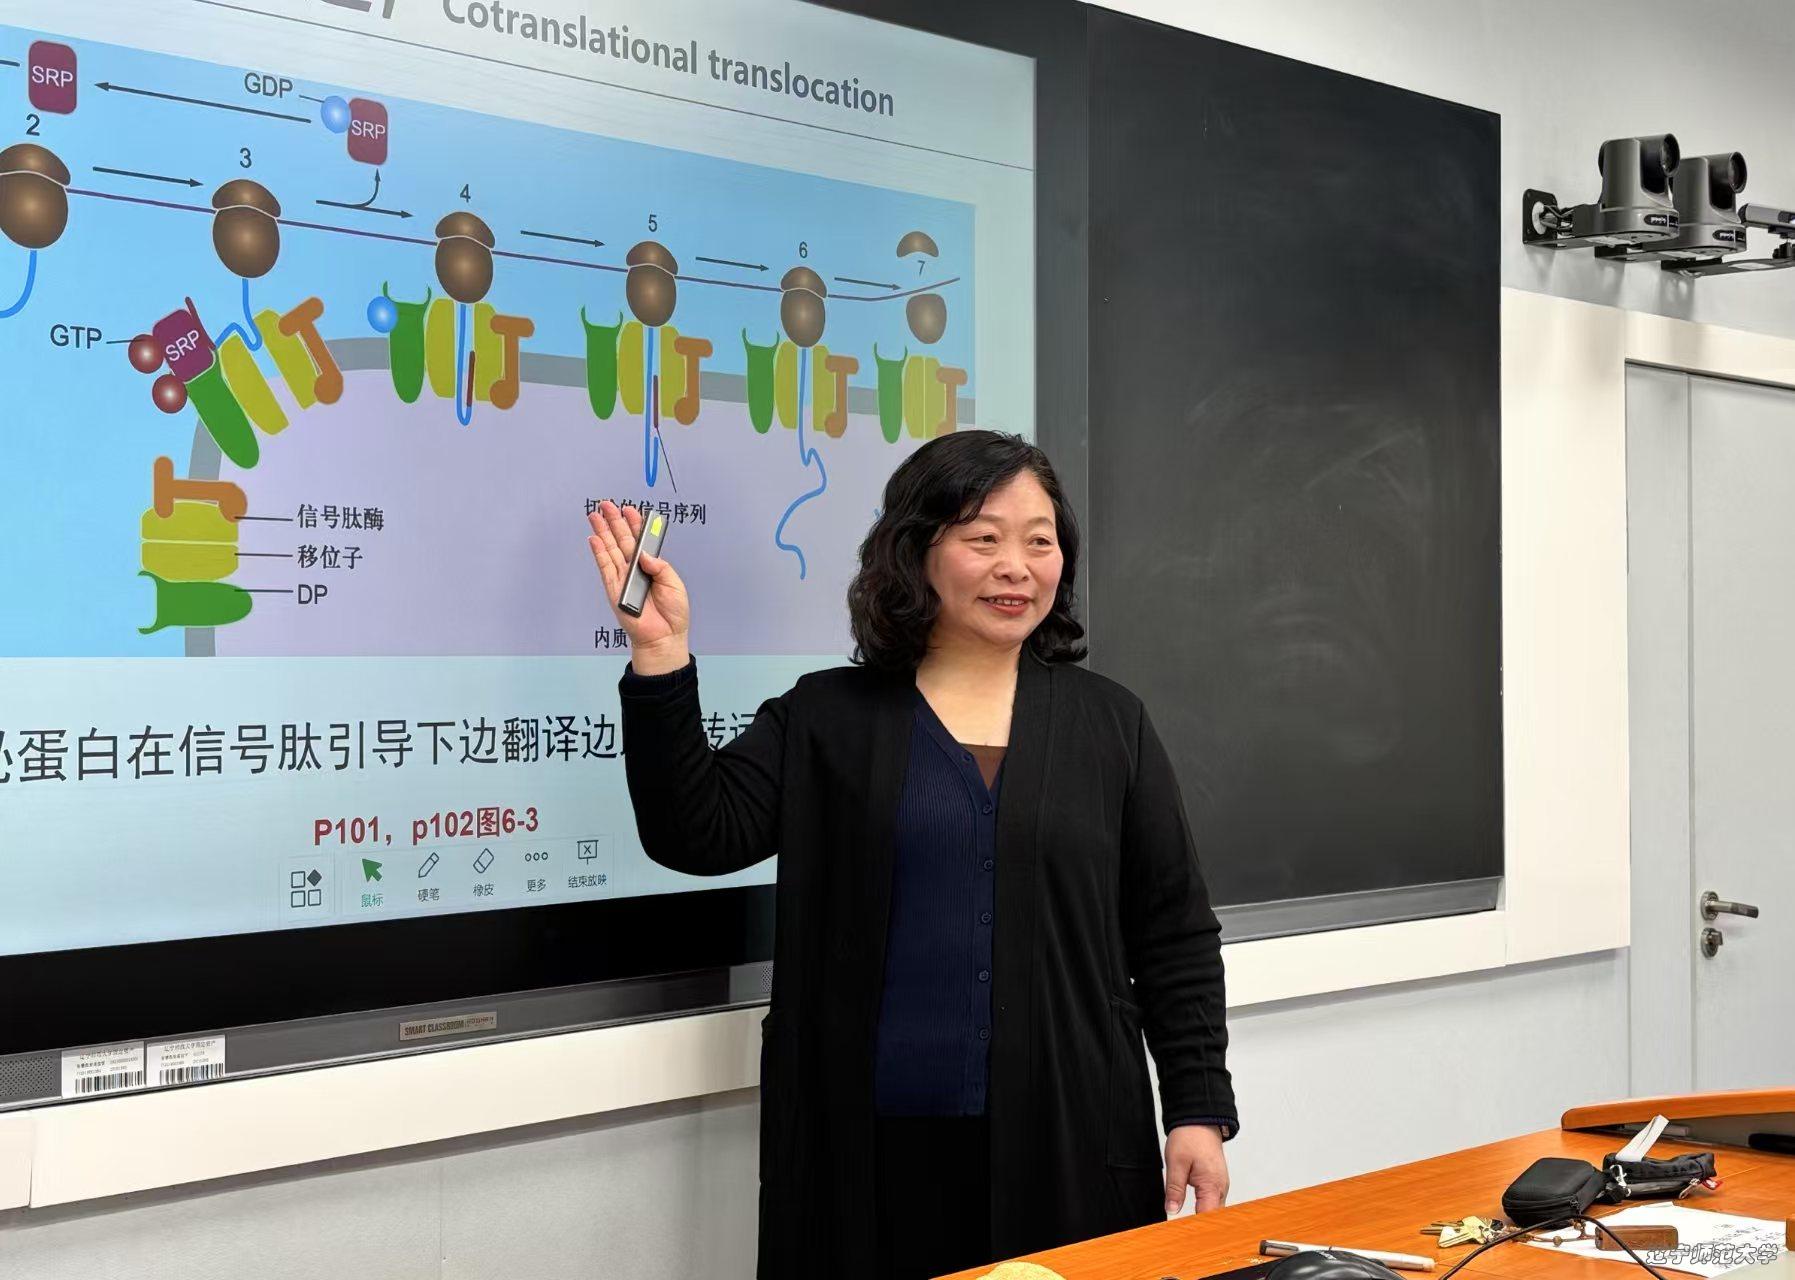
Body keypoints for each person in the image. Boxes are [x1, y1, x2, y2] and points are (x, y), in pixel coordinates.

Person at [586, 430, 1237, 1280]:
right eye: (983, 538)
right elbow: (695, 834)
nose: (1016, 566)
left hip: (1069, 1144)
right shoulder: (828, 717)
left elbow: (1174, 934)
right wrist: (660, 657)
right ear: (916, 551)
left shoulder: (1110, 723)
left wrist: (1195, 1108)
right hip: (868, 1160)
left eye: (1039, 541)